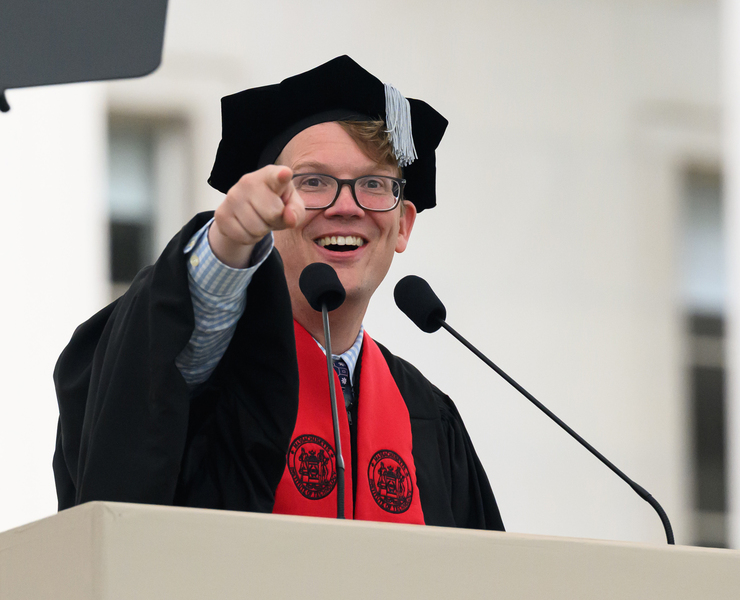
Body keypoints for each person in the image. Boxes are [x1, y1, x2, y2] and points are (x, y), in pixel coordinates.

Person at [53, 56, 503, 530]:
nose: (346, 207)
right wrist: (225, 247)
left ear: (403, 226)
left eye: (373, 185)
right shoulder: (201, 376)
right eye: (313, 182)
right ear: (267, 213)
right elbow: (165, 357)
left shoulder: (428, 417)